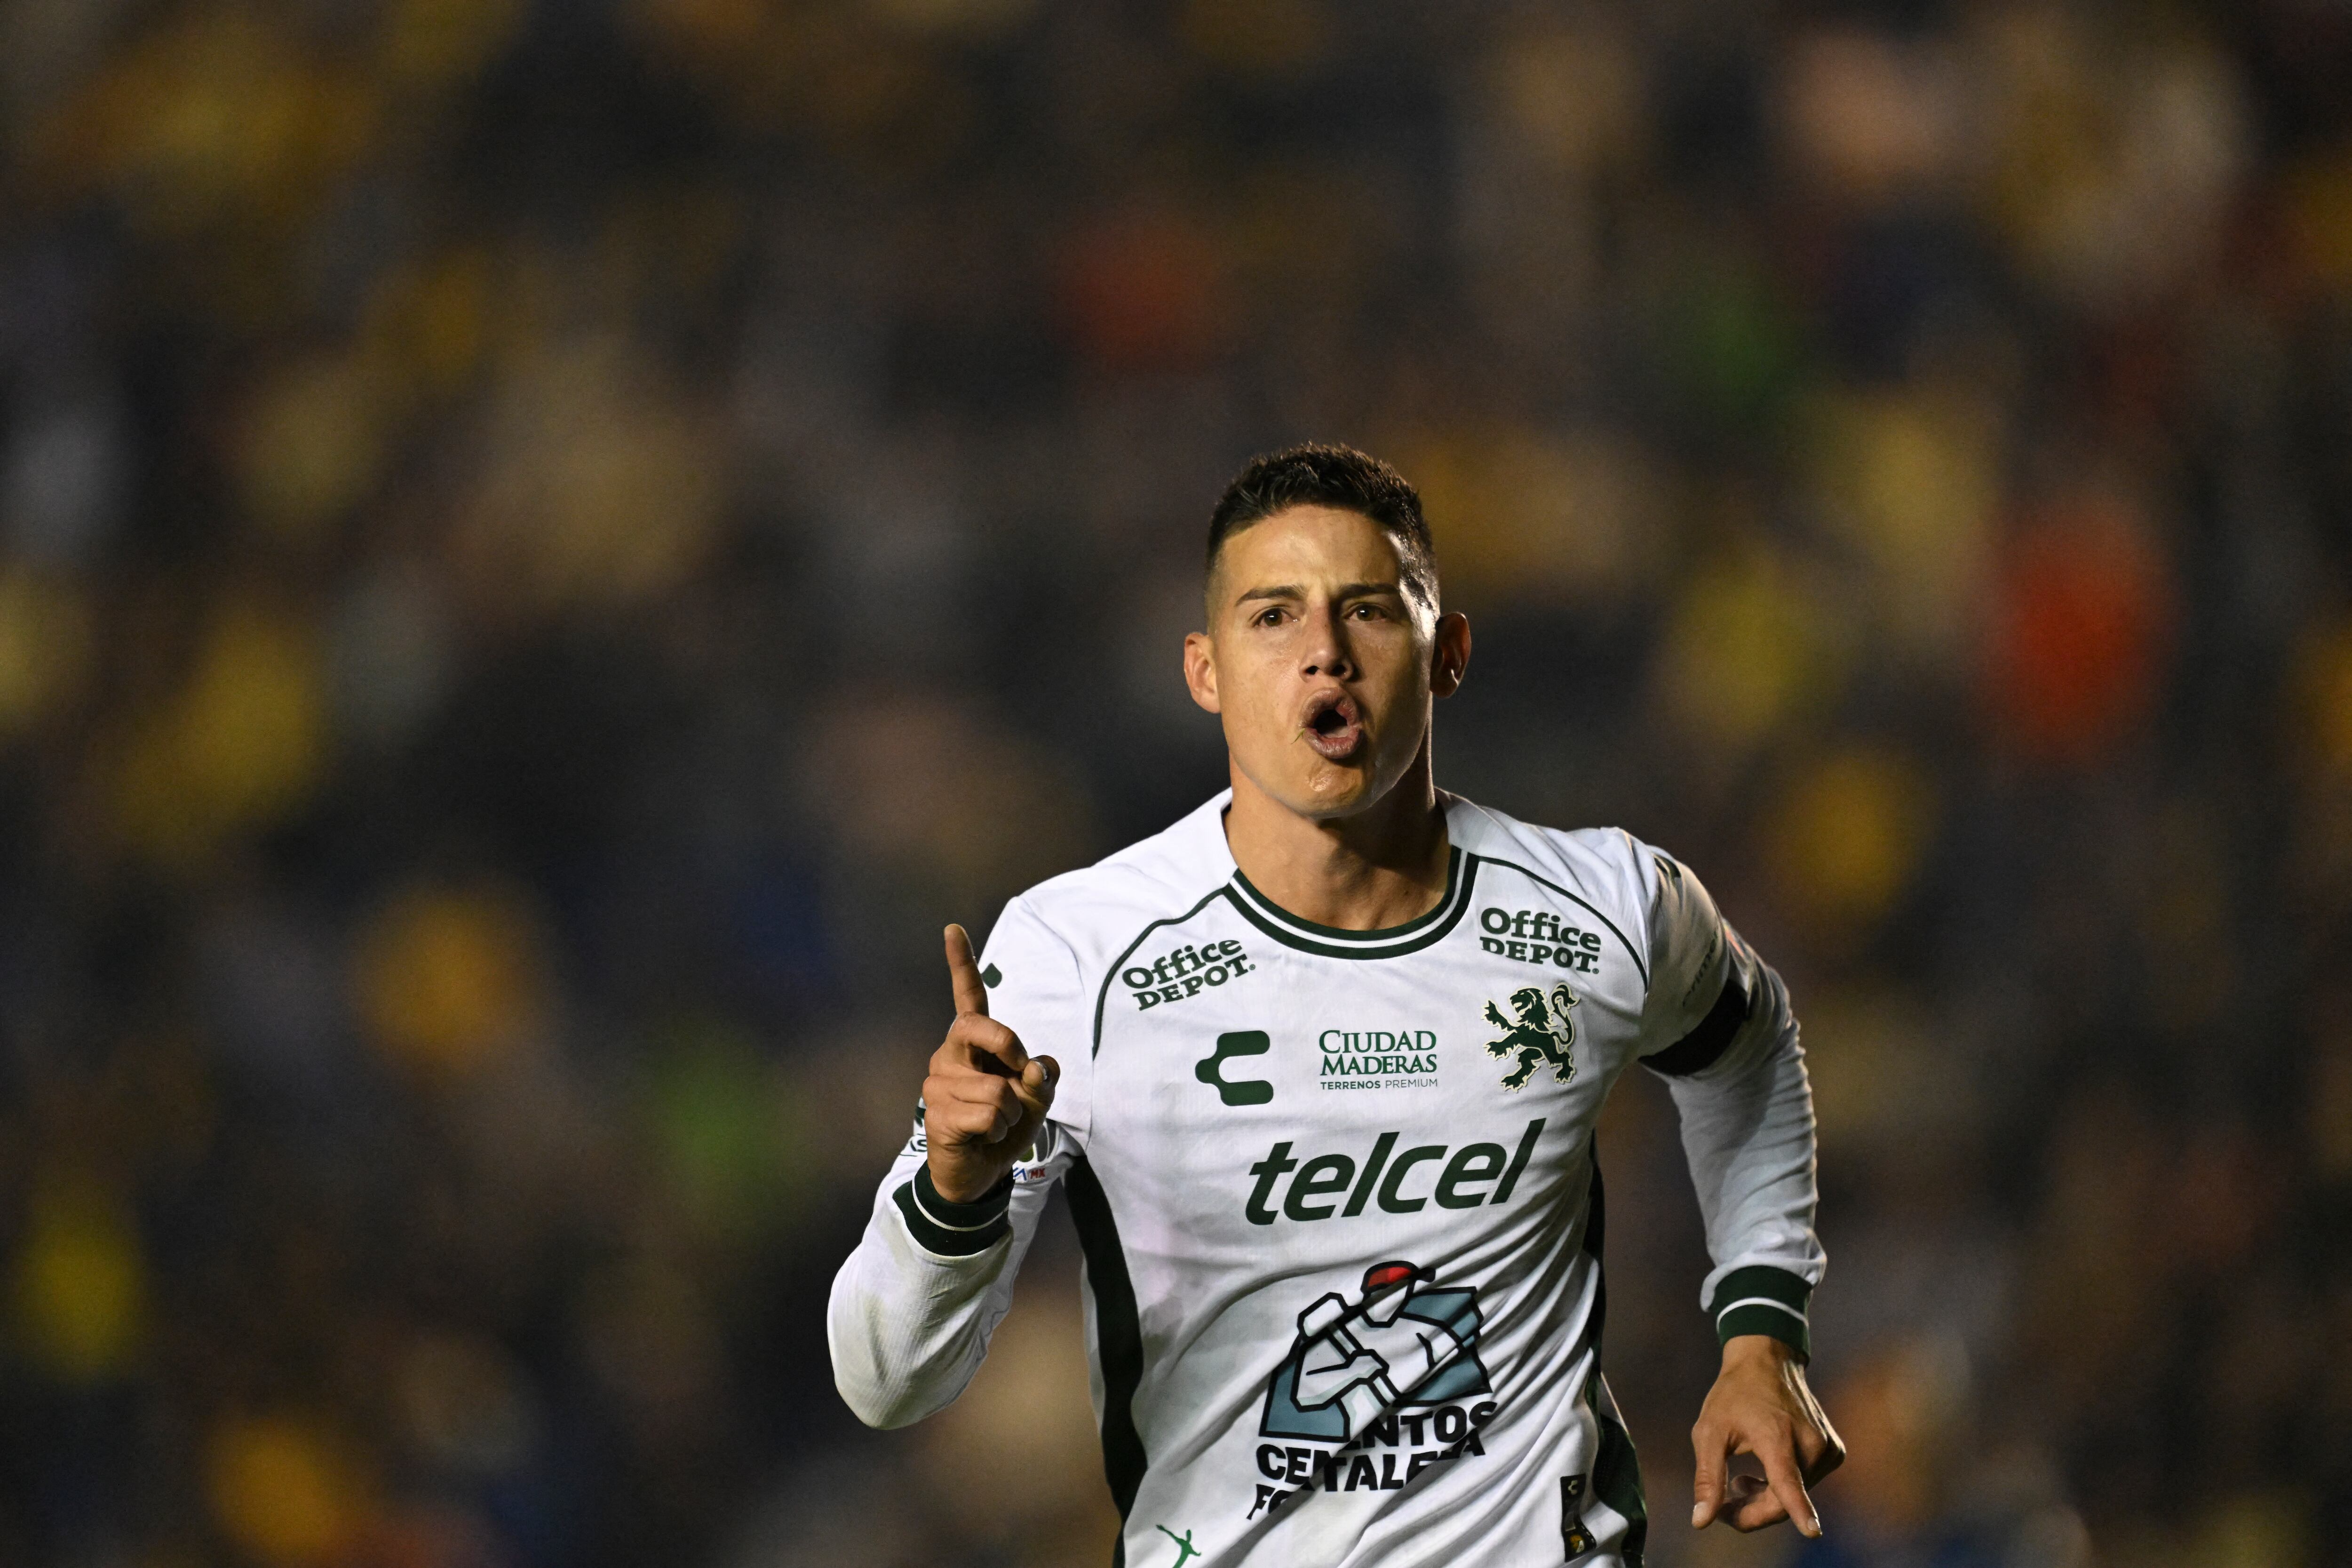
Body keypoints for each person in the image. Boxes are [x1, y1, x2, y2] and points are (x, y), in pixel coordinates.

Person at [828, 444, 1843, 1565]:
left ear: (1445, 652)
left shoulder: (1606, 907)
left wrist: (1760, 1329)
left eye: (1366, 609)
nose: (1323, 654)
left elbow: (1748, 1050)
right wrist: (954, 1191)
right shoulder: (1080, 954)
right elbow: (882, 1381)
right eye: (1272, 617)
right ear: (1204, 671)